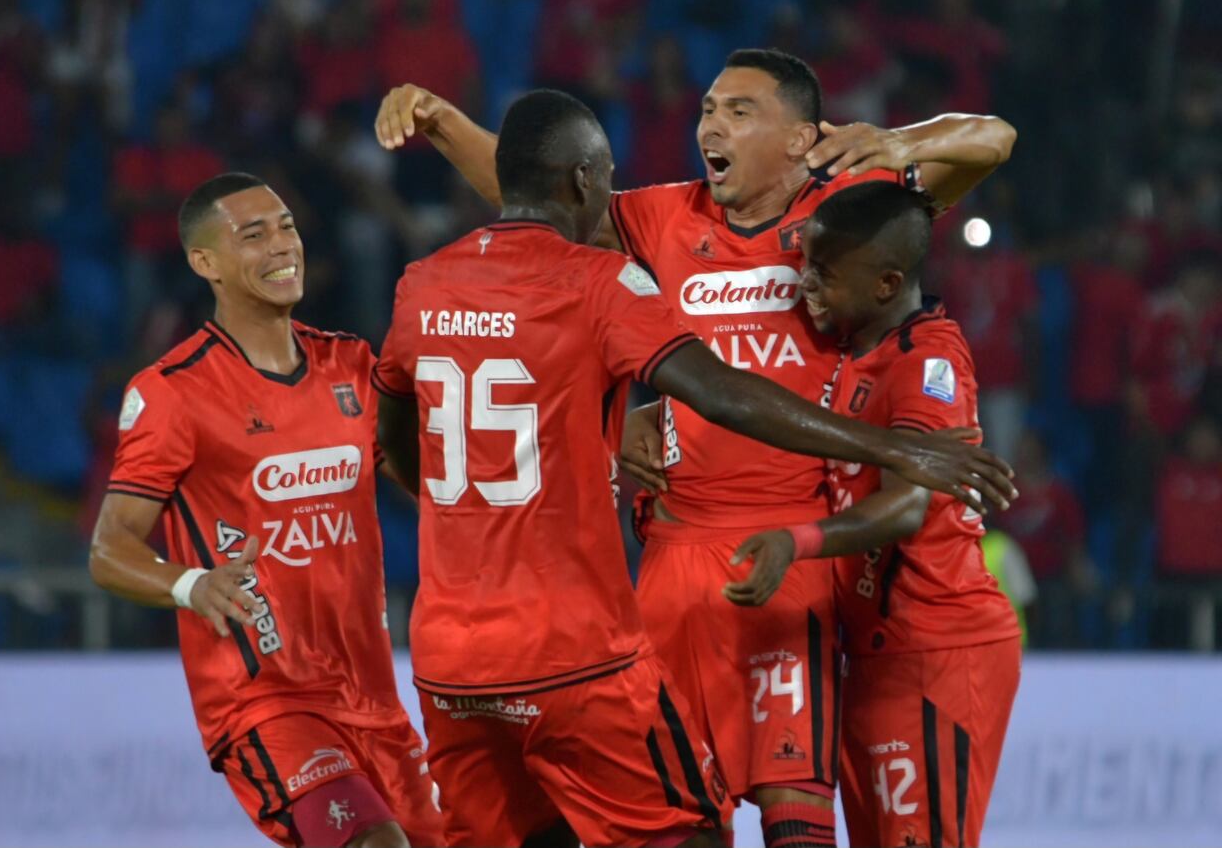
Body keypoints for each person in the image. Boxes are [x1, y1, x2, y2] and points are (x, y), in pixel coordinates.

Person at [373, 47, 1016, 842]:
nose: (711, 124)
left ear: (801, 138)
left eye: (740, 111)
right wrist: (443, 123)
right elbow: (540, 194)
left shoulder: (846, 215)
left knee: (795, 812)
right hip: (673, 557)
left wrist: (899, 143)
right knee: (677, 816)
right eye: (709, 109)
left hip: (788, 555)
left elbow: (995, 140)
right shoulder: (663, 218)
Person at [88, 173, 442, 848]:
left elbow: (435, 484)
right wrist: (192, 584)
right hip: (266, 702)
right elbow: (109, 550)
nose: (282, 245)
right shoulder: (173, 393)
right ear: (206, 262)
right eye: (254, 235)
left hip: (373, 699)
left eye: (287, 227)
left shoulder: (351, 365)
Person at [725, 182, 1021, 848]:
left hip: (932, 648)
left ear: (887, 283)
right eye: (808, 266)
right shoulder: (853, 348)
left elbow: (908, 504)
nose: (807, 284)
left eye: (826, 274)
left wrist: (796, 541)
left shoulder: (926, 362)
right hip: (870, 652)